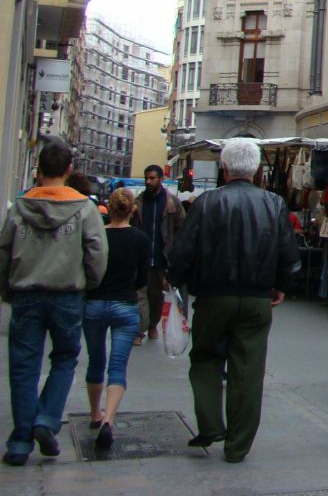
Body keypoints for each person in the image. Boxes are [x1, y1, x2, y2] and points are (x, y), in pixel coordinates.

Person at [167, 138, 299, 463]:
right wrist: (281, 284)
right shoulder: (274, 203)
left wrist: (174, 283)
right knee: (249, 369)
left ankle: (211, 424)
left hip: (213, 297)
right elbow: (288, 254)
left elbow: (183, 251)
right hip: (256, 299)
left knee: (206, 359)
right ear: (256, 170)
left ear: (224, 169)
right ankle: (238, 446)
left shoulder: (207, 203)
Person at [0, 140, 107, 467]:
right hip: (67, 294)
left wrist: (7, 289)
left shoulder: (19, 208)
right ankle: (46, 419)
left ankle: (20, 441)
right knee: (64, 358)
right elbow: (98, 254)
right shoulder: (85, 208)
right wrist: (87, 283)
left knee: (23, 366)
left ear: (39, 170)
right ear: (68, 170)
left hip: (27, 295)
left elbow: (4, 251)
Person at [82, 187, 149, 449]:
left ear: (108, 208)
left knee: (95, 361)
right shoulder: (140, 239)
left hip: (95, 304)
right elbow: (142, 278)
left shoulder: (97, 236)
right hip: (125, 305)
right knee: (118, 367)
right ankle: (109, 420)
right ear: (133, 210)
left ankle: (94, 414)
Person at [134, 164, 185, 343]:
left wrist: (175, 253)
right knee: (140, 295)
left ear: (161, 179)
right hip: (142, 257)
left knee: (156, 297)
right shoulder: (138, 202)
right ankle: (139, 331)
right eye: (146, 178)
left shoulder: (172, 203)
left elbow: (181, 228)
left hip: (161, 257)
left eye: (152, 178)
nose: (148, 181)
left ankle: (152, 324)